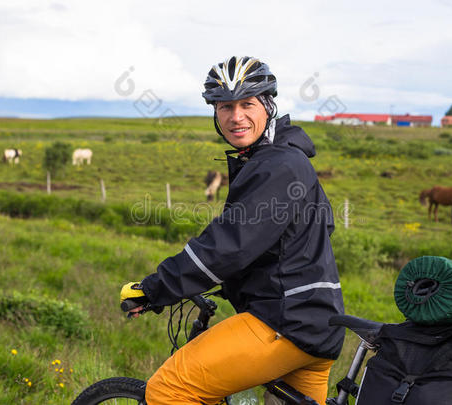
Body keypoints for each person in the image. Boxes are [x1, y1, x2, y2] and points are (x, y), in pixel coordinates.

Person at [120, 56, 345, 405]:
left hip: (285, 324)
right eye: (225, 106)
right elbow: (291, 240)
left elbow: (229, 246)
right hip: (318, 323)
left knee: (170, 389)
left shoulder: (278, 165)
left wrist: (154, 290)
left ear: (268, 106)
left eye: (247, 104)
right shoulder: (284, 158)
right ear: (215, 113)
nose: (236, 116)